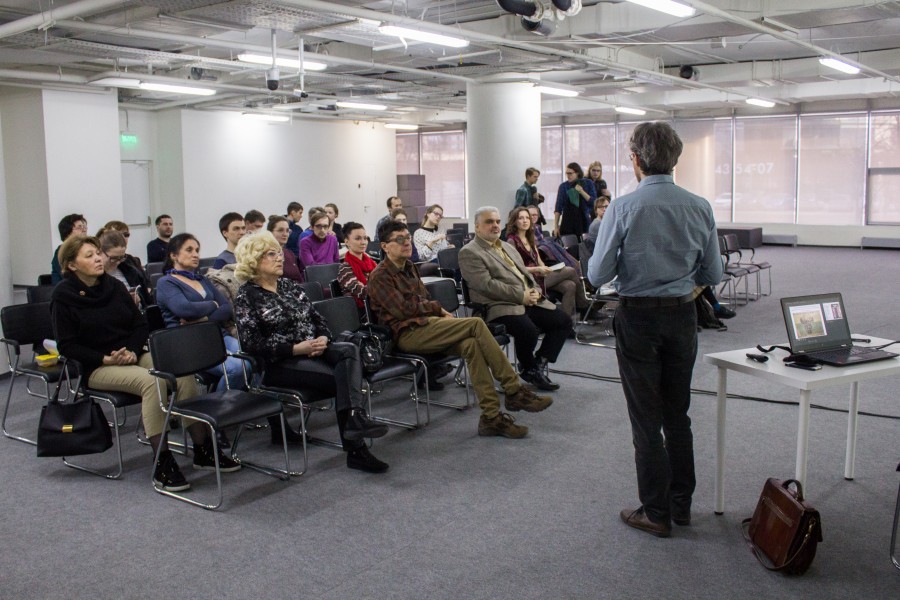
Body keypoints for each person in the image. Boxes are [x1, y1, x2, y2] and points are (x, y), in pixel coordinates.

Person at [588, 121, 723, 538]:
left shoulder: (622, 208)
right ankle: (681, 506)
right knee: (677, 415)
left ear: (635, 159)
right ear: (676, 157)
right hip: (682, 317)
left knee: (646, 421)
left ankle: (655, 512)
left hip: (638, 319)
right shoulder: (700, 206)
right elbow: (713, 273)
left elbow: (597, 275)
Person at [51, 235, 237, 493]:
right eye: (89, 256)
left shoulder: (114, 286)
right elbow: (67, 346)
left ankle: (202, 449)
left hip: (131, 353)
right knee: (152, 382)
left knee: (182, 372)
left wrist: (131, 349)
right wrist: (105, 358)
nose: (98, 259)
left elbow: (139, 325)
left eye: (97, 253)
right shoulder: (63, 295)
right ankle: (162, 459)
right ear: (72, 265)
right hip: (97, 365)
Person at [367, 220, 553, 439]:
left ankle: (491, 418)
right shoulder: (380, 276)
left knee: (471, 344)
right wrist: (436, 308)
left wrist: (431, 309)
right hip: (406, 334)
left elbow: (421, 301)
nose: (407, 242)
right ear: (385, 246)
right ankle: (513, 390)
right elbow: (403, 310)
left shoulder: (409, 267)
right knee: (475, 323)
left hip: (427, 325)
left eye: (407, 237)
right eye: (399, 239)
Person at [232, 231, 390, 473]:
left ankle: (355, 420)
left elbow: (318, 319)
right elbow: (251, 343)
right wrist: (296, 348)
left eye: (279, 253)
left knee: (348, 349)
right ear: (253, 260)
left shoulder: (289, 286)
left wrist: (323, 337)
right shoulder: (247, 296)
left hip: (314, 348)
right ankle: (356, 447)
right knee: (345, 380)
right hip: (281, 363)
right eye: (271, 254)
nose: (280, 258)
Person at [459, 207, 571, 392]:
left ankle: (537, 364)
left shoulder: (507, 246)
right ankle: (529, 367)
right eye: (489, 222)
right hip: (497, 305)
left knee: (563, 321)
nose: (495, 225)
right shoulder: (469, 252)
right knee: (528, 331)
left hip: (524, 300)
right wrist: (521, 295)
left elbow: (526, 274)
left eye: (497, 221)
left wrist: (535, 291)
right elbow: (487, 285)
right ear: (477, 226)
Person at [155, 233, 249, 393]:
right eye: (189, 250)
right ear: (173, 255)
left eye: (197, 250)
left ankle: (241, 401)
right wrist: (213, 304)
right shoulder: (166, 282)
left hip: (217, 335)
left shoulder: (202, 279)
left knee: (254, 358)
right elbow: (184, 309)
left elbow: (226, 309)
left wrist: (204, 318)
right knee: (238, 368)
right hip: (190, 341)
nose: (195, 254)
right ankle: (220, 405)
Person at [505, 206, 589, 320]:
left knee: (570, 286)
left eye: (527, 218)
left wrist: (545, 269)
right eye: (521, 218)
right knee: (571, 270)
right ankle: (585, 306)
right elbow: (515, 268)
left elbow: (539, 260)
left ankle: (565, 323)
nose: (525, 221)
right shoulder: (512, 241)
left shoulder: (530, 237)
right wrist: (537, 269)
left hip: (540, 275)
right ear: (514, 221)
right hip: (528, 279)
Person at [99, 231, 151, 307]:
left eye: (121, 257)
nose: (118, 262)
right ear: (100, 252)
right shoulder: (93, 276)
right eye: (113, 258)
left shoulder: (130, 270)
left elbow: (146, 301)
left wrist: (137, 302)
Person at [337, 221, 374, 312]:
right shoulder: (344, 268)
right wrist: (380, 287)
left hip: (377, 305)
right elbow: (363, 292)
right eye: (358, 239)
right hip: (362, 312)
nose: (363, 242)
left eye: (365, 238)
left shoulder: (372, 262)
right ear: (347, 241)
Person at [554, 162, 596, 237]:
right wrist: (556, 226)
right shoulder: (563, 186)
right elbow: (558, 207)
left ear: (577, 173)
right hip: (568, 221)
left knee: (585, 242)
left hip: (584, 220)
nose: (568, 176)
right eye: (567, 173)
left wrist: (581, 191)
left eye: (570, 173)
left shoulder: (588, 183)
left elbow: (593, 202)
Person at [51, 213, 88, 283]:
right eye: (79, 227)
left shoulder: (86, 248)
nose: (84, 230)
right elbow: (68, 276)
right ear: (68, 232)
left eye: (85, 227)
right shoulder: (61, 251)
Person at [267, 215, 304, 282]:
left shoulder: (290, 254)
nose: (285, 234)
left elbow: (299, 278)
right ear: (270, 232)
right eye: (280, 230)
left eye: (287, 231)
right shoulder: (266, 255)